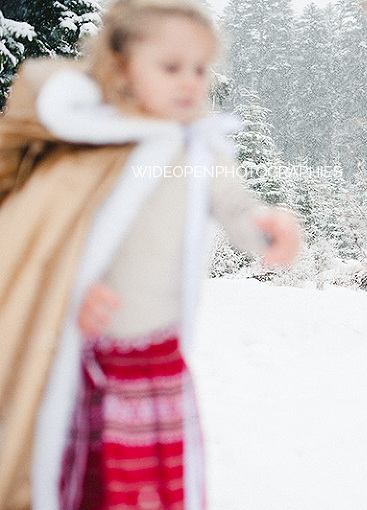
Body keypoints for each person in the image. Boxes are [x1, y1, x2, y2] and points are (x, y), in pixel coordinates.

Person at [0, 0, 300, 508]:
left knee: (152, 485)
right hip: (88, 357)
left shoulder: (197, 151)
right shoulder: (94, 144)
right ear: (121, 66)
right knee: (82, 480)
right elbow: (47, 241)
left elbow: (231, 205)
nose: (190, 82)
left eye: (200, 69)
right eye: (170, 67)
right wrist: (72, 289)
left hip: (158, 355)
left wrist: (267, 227)